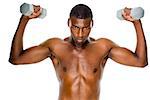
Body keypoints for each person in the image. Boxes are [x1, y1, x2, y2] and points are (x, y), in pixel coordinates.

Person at [9, 4, 148, 100]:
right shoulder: (56, 47)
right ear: (69, 23)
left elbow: (140, 61)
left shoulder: (102, 47)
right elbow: (16, 58)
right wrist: (25, 18)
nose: (80, 34)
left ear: (91, 24)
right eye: (75, 27)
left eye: (85, 28)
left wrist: (136, 22)